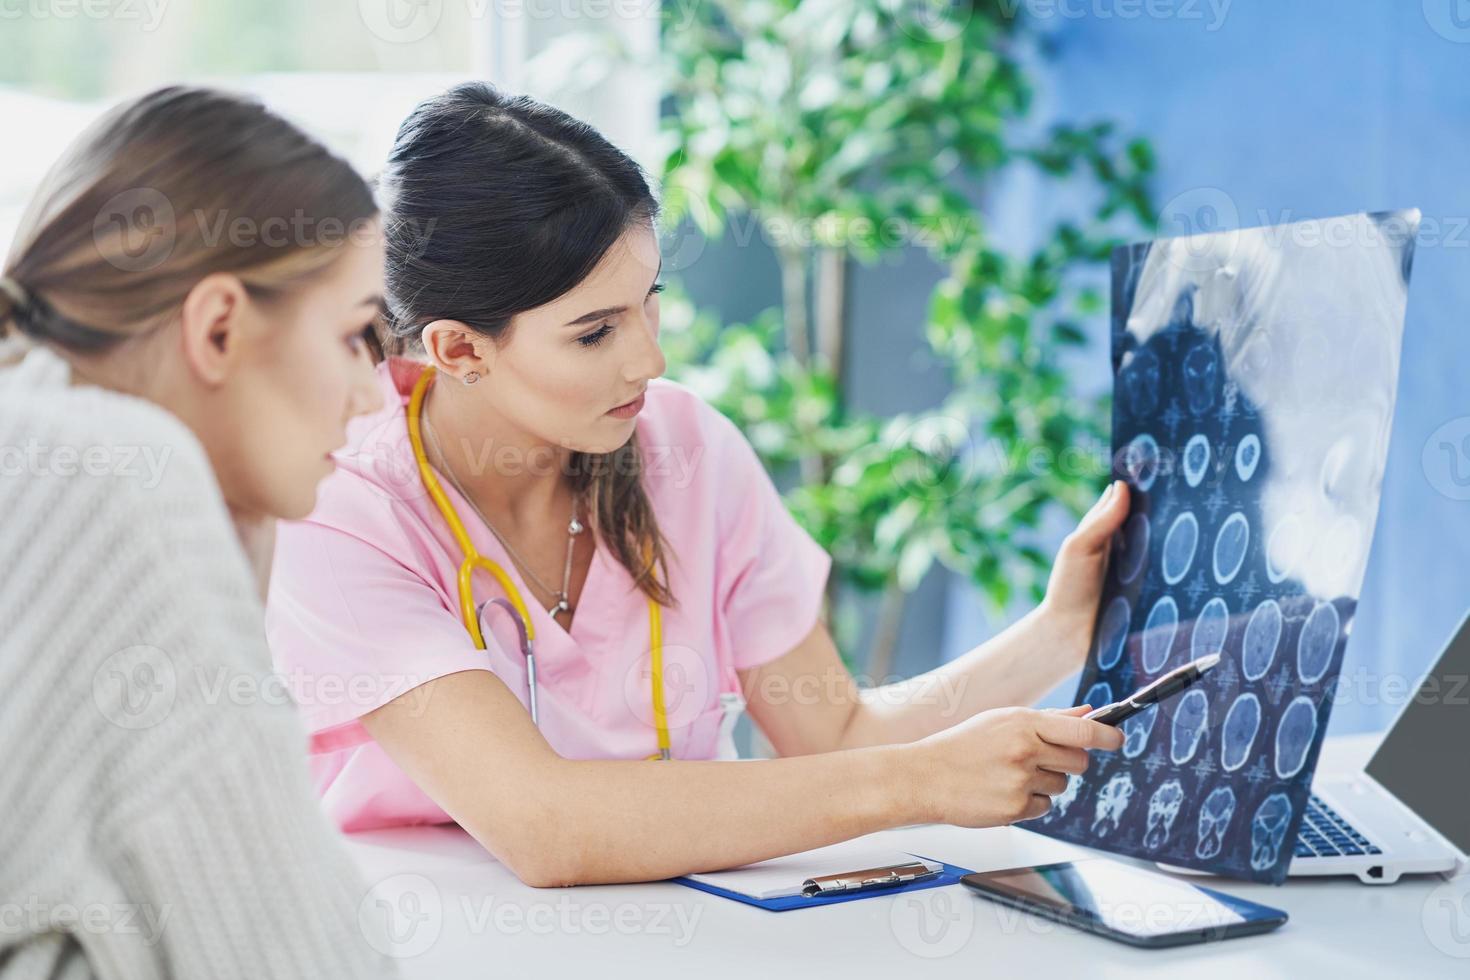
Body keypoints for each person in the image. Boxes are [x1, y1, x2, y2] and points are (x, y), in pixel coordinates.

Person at [265, 82, 1127, 889]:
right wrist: (916, 784)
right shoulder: (340, 506)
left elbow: (833, 734)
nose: (651, 358)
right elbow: (543, 826)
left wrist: (1061, 630)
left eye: (650, 301)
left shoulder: (684, 449)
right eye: (596, 332)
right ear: (459, 350)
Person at [0, 86, 397, 977]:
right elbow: (301, 959)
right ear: (218, 325)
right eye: (353, 334)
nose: (371, 392)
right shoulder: (115, 478)